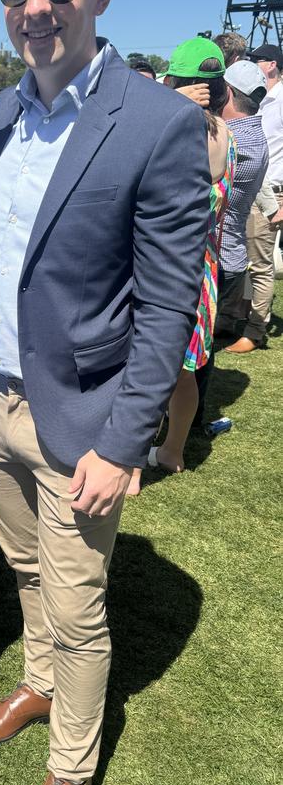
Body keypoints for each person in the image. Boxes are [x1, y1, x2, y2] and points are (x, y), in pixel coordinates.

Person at [0, 0, 210, 785]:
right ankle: (34, 683)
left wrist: (125, 438)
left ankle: (69, 767)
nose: (35, 2)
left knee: (77, 607)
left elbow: (166, 303)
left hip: (82, 422)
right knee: (22, 573)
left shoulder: (154, 123)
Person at [139, 39, 235, 477]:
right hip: (205, 267)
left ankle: (133, 464)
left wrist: (165, 102)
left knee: (143, 366)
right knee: (185, 371)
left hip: (163, 265)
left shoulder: (172, 127)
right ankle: (173, 450)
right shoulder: (227, 133)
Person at [226, 42, 283, 352]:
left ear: (272, 64)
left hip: (271, 190)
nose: (254, 64)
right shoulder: (259, 99)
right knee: (240, 257)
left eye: (259, 59)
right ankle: (229, 318)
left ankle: (255, 330)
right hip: (250, 187)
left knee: (260, 265)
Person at [214, 61, 269, 335]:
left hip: (217, 259)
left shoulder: (233, 139)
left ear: (227, 91)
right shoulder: (255, 134)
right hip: (232, 256)